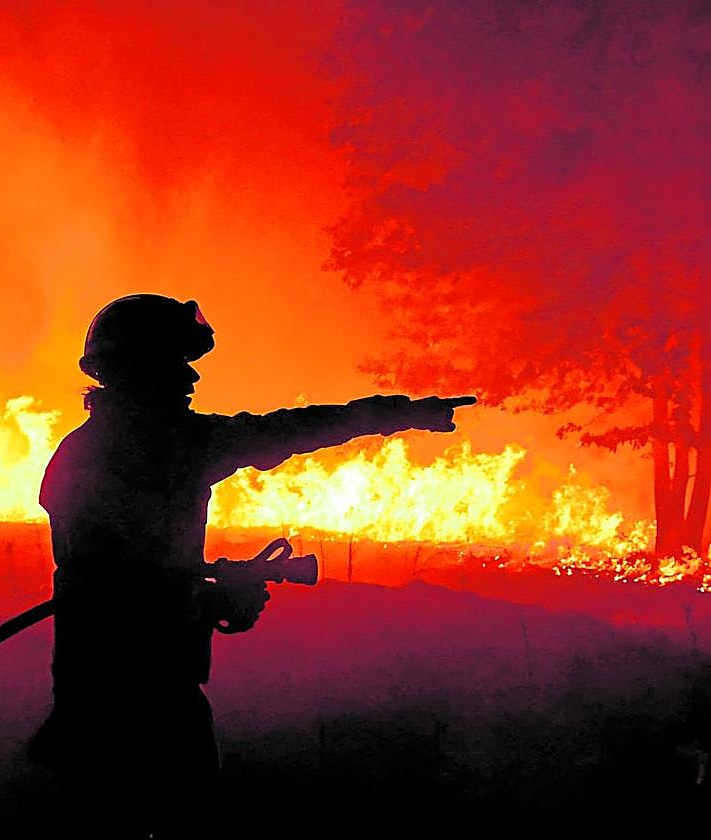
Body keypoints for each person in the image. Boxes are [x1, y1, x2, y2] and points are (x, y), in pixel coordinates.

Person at [30, 294, 473, 838]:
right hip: (121, 702)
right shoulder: (141, 452)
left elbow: (287, 429)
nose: (191, 380)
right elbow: (116, 586)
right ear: (138, 370)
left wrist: (398, 413)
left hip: (138, 691)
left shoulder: (140, 446)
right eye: (177, 364)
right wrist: (209, 599)